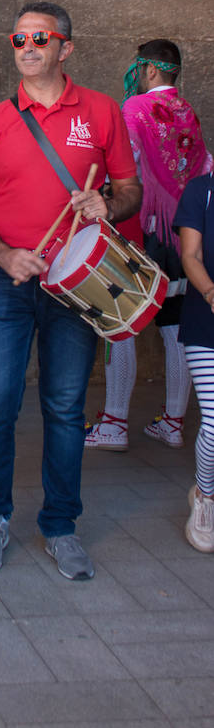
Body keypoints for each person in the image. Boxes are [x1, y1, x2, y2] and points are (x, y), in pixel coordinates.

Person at [0, 2, 141, 582]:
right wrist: (5, 254)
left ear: (66, 48)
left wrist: (107, 204)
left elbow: (131, 190)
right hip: (4, 281)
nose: (28, 46)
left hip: (74, 285)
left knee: (64, 410)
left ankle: (60, 525)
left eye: (42, 37)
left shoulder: (104, 112)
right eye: (19, 38)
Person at [85, 40, 212, 452]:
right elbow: (204, 166)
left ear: (151, 71)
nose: (136, 74)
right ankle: (173, 422)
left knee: (121, 324)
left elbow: (126, 165)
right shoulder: (187, 112)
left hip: (141, 228)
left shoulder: (134, 109)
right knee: (175, 326)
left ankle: (114, 423)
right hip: (181, 235)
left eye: (139, 68)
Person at [173, 172, 214, 550]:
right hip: (207, 327)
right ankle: (205, 495)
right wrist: (211, 292)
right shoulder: (202, 190)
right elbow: (190, 255)